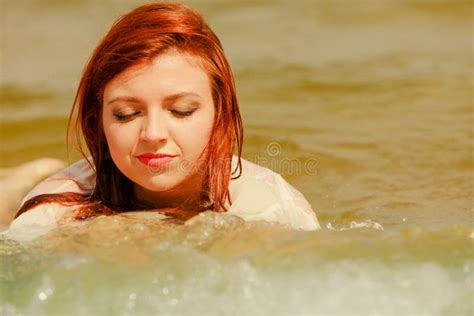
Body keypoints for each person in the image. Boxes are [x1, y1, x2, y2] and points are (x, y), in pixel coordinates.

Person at [5, 2, 320, 241]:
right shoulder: (53, 213)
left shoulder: (273, 207)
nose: (153, 134)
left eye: (181, 110)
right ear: (96, 120)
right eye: (126, 114)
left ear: (219, 113)